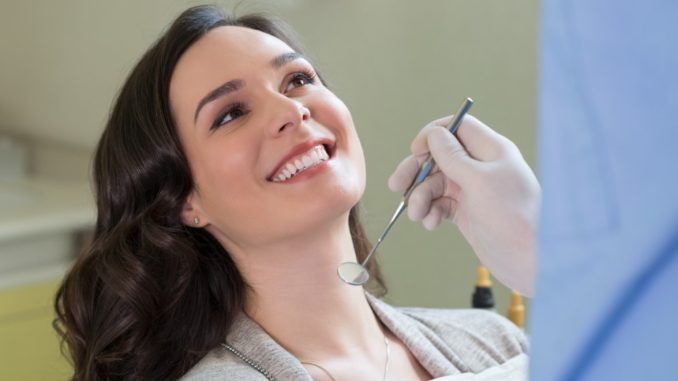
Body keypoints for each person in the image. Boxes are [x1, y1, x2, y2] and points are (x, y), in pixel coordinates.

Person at [54, 5, 539, 381]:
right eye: (231, 113)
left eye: (298, 80)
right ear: (186, 202)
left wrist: (538, 255)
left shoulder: (499, 344)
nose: (291, 110)